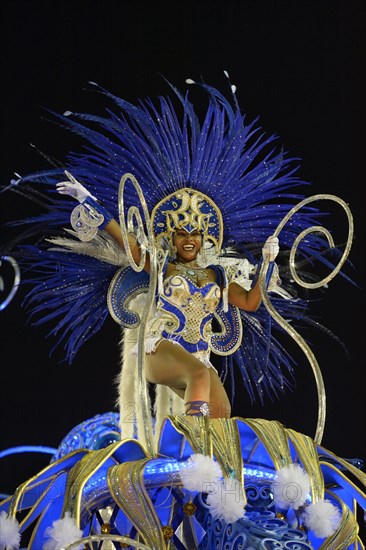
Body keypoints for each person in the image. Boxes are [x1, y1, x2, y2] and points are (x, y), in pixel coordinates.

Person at [56, 174, 280, 419]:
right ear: (172, 239)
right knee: (198, 374)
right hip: (161, 351)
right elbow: (128, 245)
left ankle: (195, 452)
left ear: (203, 239)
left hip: (200, 359)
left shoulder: (216, 275)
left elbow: (251, 301)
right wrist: (88, 201)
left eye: (195, 234)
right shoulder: (164, 268)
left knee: (220, 414)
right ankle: (193, 447)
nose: (189, 240)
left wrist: (268, 261)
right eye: (182, 234)